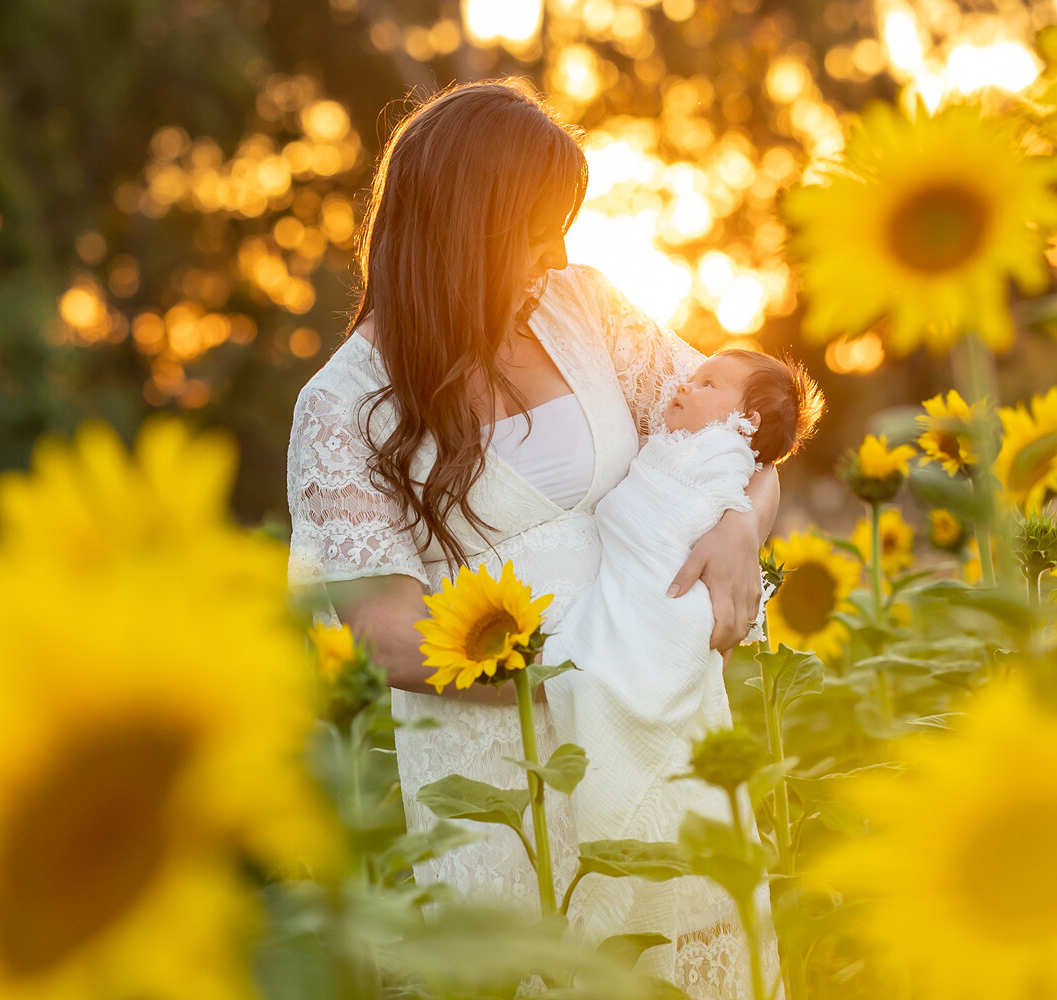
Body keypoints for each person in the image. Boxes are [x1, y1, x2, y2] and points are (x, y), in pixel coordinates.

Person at [286, 80, 779, 997]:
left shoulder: (585, 308)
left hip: (662, 727)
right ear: (461, 229)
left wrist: (742, 525)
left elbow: (741, 437)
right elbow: (379, 630)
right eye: (536, 225)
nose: (556, 251)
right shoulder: (343, 405)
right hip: (501, 764)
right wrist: (586, 659)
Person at [543, 350, 822, 981]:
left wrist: (733, 524)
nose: (681, 384)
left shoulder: (720, 457)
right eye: (693, 377)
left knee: (616, 678)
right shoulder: (686, 442)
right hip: (630, 581)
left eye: (706, 384)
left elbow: (697, 510)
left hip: (666, 602)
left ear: (744, 423)